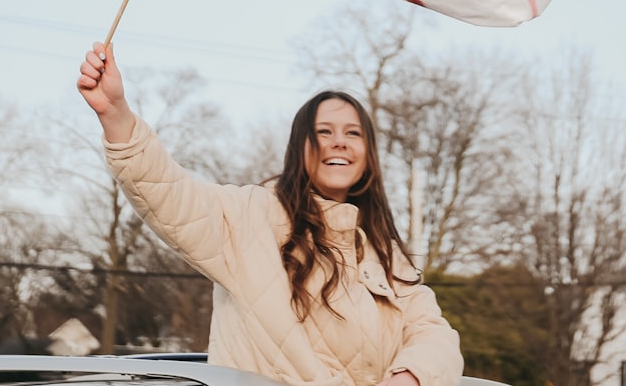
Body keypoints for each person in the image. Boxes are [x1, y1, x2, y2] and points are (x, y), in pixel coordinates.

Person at [78, 41, 464, 386]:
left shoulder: (384, 251)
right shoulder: (253, 215)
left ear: (369, 154)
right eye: (324, 131)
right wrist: (116, 114)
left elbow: (434, 333)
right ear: (301, 145)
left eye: (353, 133)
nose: (339, 143)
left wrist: (409, 376)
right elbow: (170, 194)